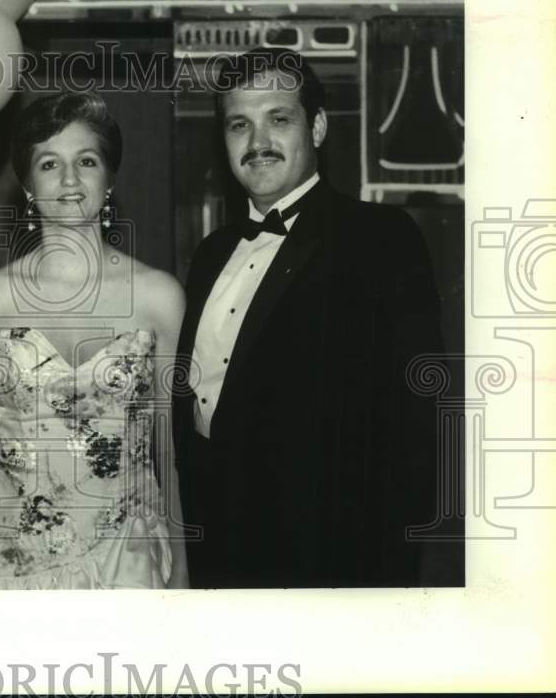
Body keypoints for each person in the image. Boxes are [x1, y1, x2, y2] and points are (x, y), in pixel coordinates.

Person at [173, 47, 447, 588]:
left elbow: (418, 429)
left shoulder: (381, 238)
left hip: (327, 562)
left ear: (317, 127)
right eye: (239, 125)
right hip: (214, 558)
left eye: (279, 119)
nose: (257, 143)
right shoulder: (210, 254)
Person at [0, 92, 189, 589]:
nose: (70, 180)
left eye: (87, 161)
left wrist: (182, 568)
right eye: (50, 163)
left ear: (109, 178)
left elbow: (172, 453)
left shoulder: (160, 298)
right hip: (13, 571)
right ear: (29, 185)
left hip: (131, 567)